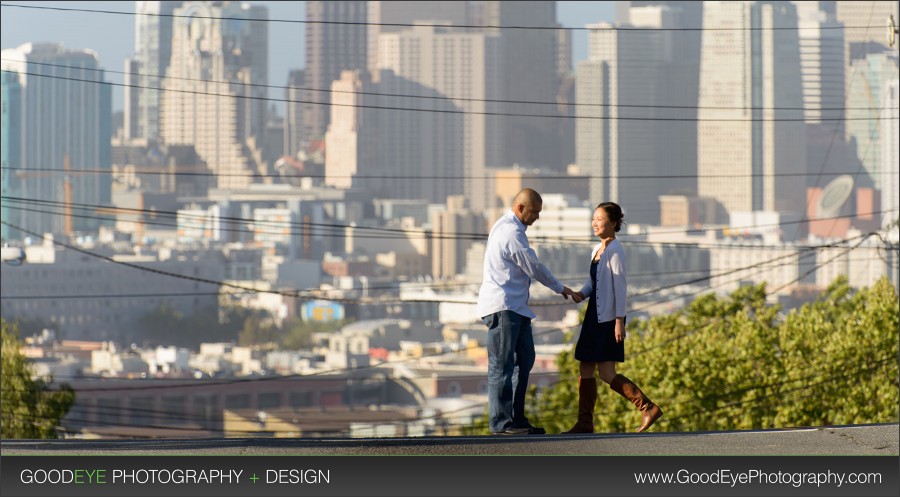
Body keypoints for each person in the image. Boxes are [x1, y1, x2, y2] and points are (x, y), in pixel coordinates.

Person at [477, 188, 583, 435]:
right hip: (503, 307)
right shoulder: (510, 232)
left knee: (524, 361)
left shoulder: (510, 228)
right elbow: (533, 266)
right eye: (534, 212)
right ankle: (502, 424)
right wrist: (561, 288)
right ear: (521, 208)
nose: (537, 217)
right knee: (501, 366)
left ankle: (517, 419)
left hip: (517, 308)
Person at [565, 202, 662, 434]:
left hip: (608, 319)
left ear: (614, 223)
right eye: (593, 219)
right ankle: (585, 423)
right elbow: (594, 282)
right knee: (586, 368)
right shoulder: (597, 250)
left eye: (599, 219)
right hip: (594, 317)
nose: (594, 223)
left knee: (607, 373)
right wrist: (581, 294)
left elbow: (620, 287)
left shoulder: (616, 250)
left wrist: (619, 320)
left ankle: (647, 407)